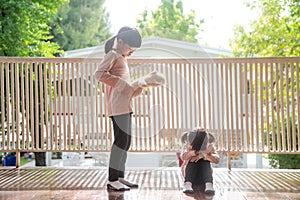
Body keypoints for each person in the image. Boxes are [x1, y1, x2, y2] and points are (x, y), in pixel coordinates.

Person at [94, 26, 144, 191]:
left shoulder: (121, 57)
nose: (131, 52)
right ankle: (112, 179)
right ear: (120, 42)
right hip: (117, 106)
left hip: (125, 105)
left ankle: (120, 176)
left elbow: (124, 86)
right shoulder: (112, 55)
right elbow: (99, 74)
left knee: (126, 141)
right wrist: (123, 85)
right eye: (130, 48)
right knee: (120, 142)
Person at [180, 128, 220, 195]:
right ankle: (187, 184)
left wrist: (204, 155)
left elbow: (217, 159)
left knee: (205, 160)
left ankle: (209, 184)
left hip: (205, 178)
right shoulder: (187, 147)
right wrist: (193, 153)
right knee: (192, 160)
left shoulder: (209, 147)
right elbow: (183, 157)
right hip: (189, 177)